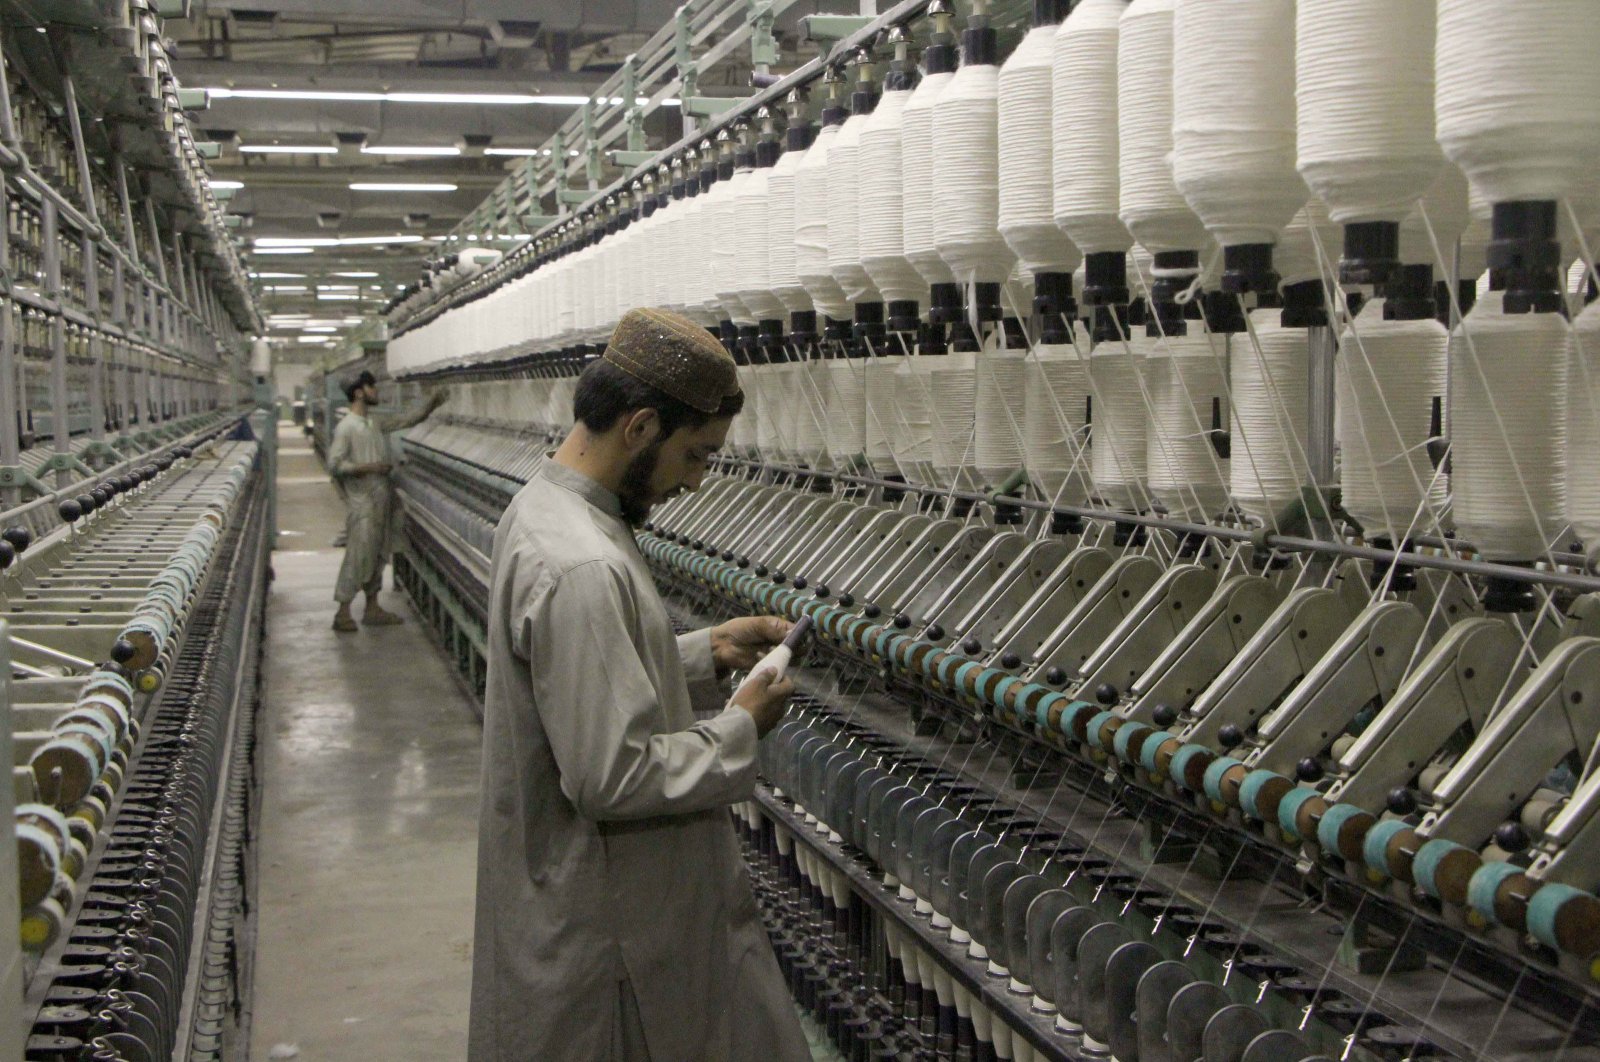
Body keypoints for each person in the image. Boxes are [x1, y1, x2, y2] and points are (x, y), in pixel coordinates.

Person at [469, 307, 810, 1062]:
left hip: (594, 899)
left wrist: (704, 652)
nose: (694, 482)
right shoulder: (584, 564)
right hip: (611, 924)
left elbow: (578, 670)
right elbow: (611, 775)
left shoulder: (545, 509)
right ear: (642, 428)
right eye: (695, 455)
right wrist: (740, 726)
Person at [326, 370, 447, 631]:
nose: (376, 392)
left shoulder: (374, 423)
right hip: (364, 502)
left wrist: (432, 402)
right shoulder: (347, 427)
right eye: (372, 387)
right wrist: (369, 467)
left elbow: (407, 419)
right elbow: (335, 464)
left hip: (382, 497)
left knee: (379, 553)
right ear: (359, 392)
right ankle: (343, 612)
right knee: (359, 555)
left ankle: (372, 607)